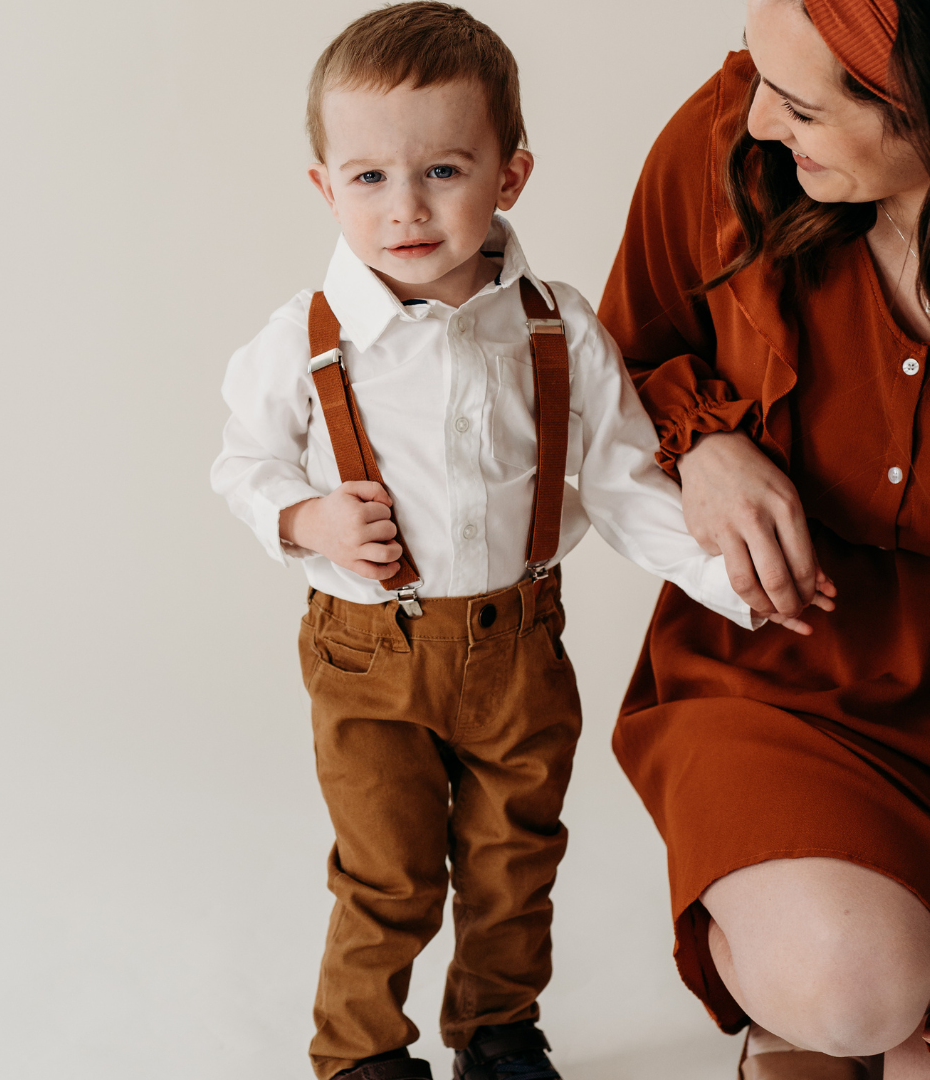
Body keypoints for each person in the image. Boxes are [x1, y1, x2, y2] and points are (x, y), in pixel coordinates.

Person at [212, 5, 828, 1078]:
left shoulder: (558, 327)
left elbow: (630, 484)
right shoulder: (299, 339)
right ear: (324, 186)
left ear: (511, 175)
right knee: (387, 869)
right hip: (370, 657)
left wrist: (732, 580)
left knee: (514, 859)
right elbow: (241, 467)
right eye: (368, 179)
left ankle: (497, 1031)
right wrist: (305, 519)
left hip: (522, 648)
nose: (404, 208)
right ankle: (361, 1050)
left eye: (443, 171)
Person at [598, 0, 930, 1076]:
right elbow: (611, 362)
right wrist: (700, 445)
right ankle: (814, 1014)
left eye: (803, 107)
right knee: (852, 986)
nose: (758, 121)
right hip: (786, 672)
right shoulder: (728, 140)